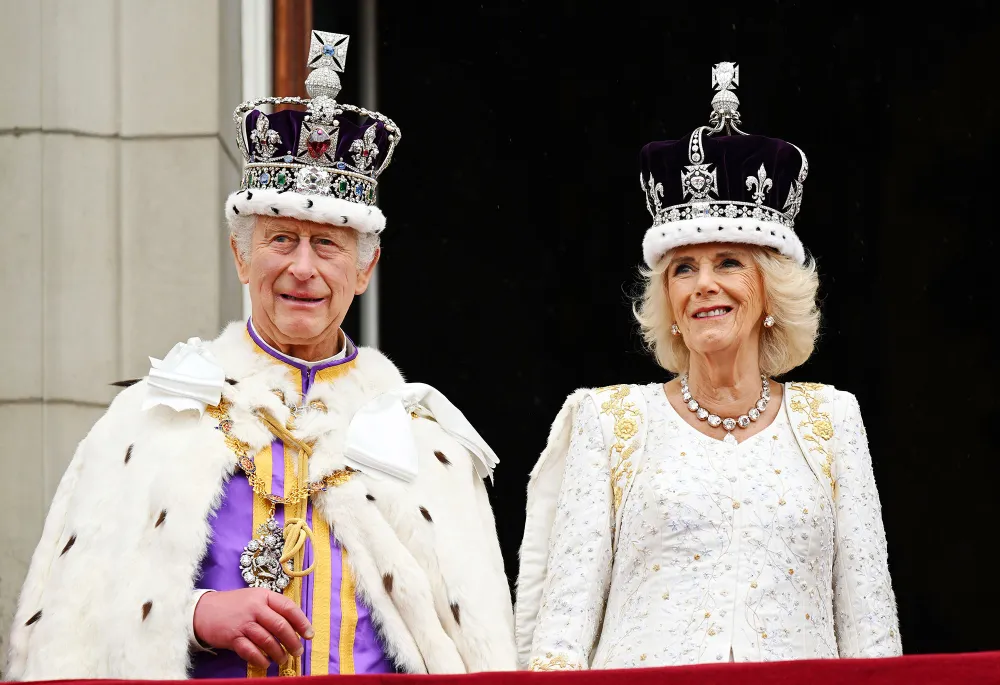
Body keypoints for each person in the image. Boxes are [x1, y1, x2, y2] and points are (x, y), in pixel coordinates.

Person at [5, 30, 515, 680]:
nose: (302, 268)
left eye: (327, 245)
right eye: (281, 238)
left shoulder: (424, 443)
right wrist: (193, 613)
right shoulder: (151, 420)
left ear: (366, 269)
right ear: (242, 255)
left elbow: (471, 645)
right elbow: (68, 621)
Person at [515, 62, 901, 669]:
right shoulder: (609, 421)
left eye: (728, 262)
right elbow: (561, 631)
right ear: (666, 298)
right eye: (683, 268)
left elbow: (870, 626)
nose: (704, 285)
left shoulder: (834, 419)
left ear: (771, 290)